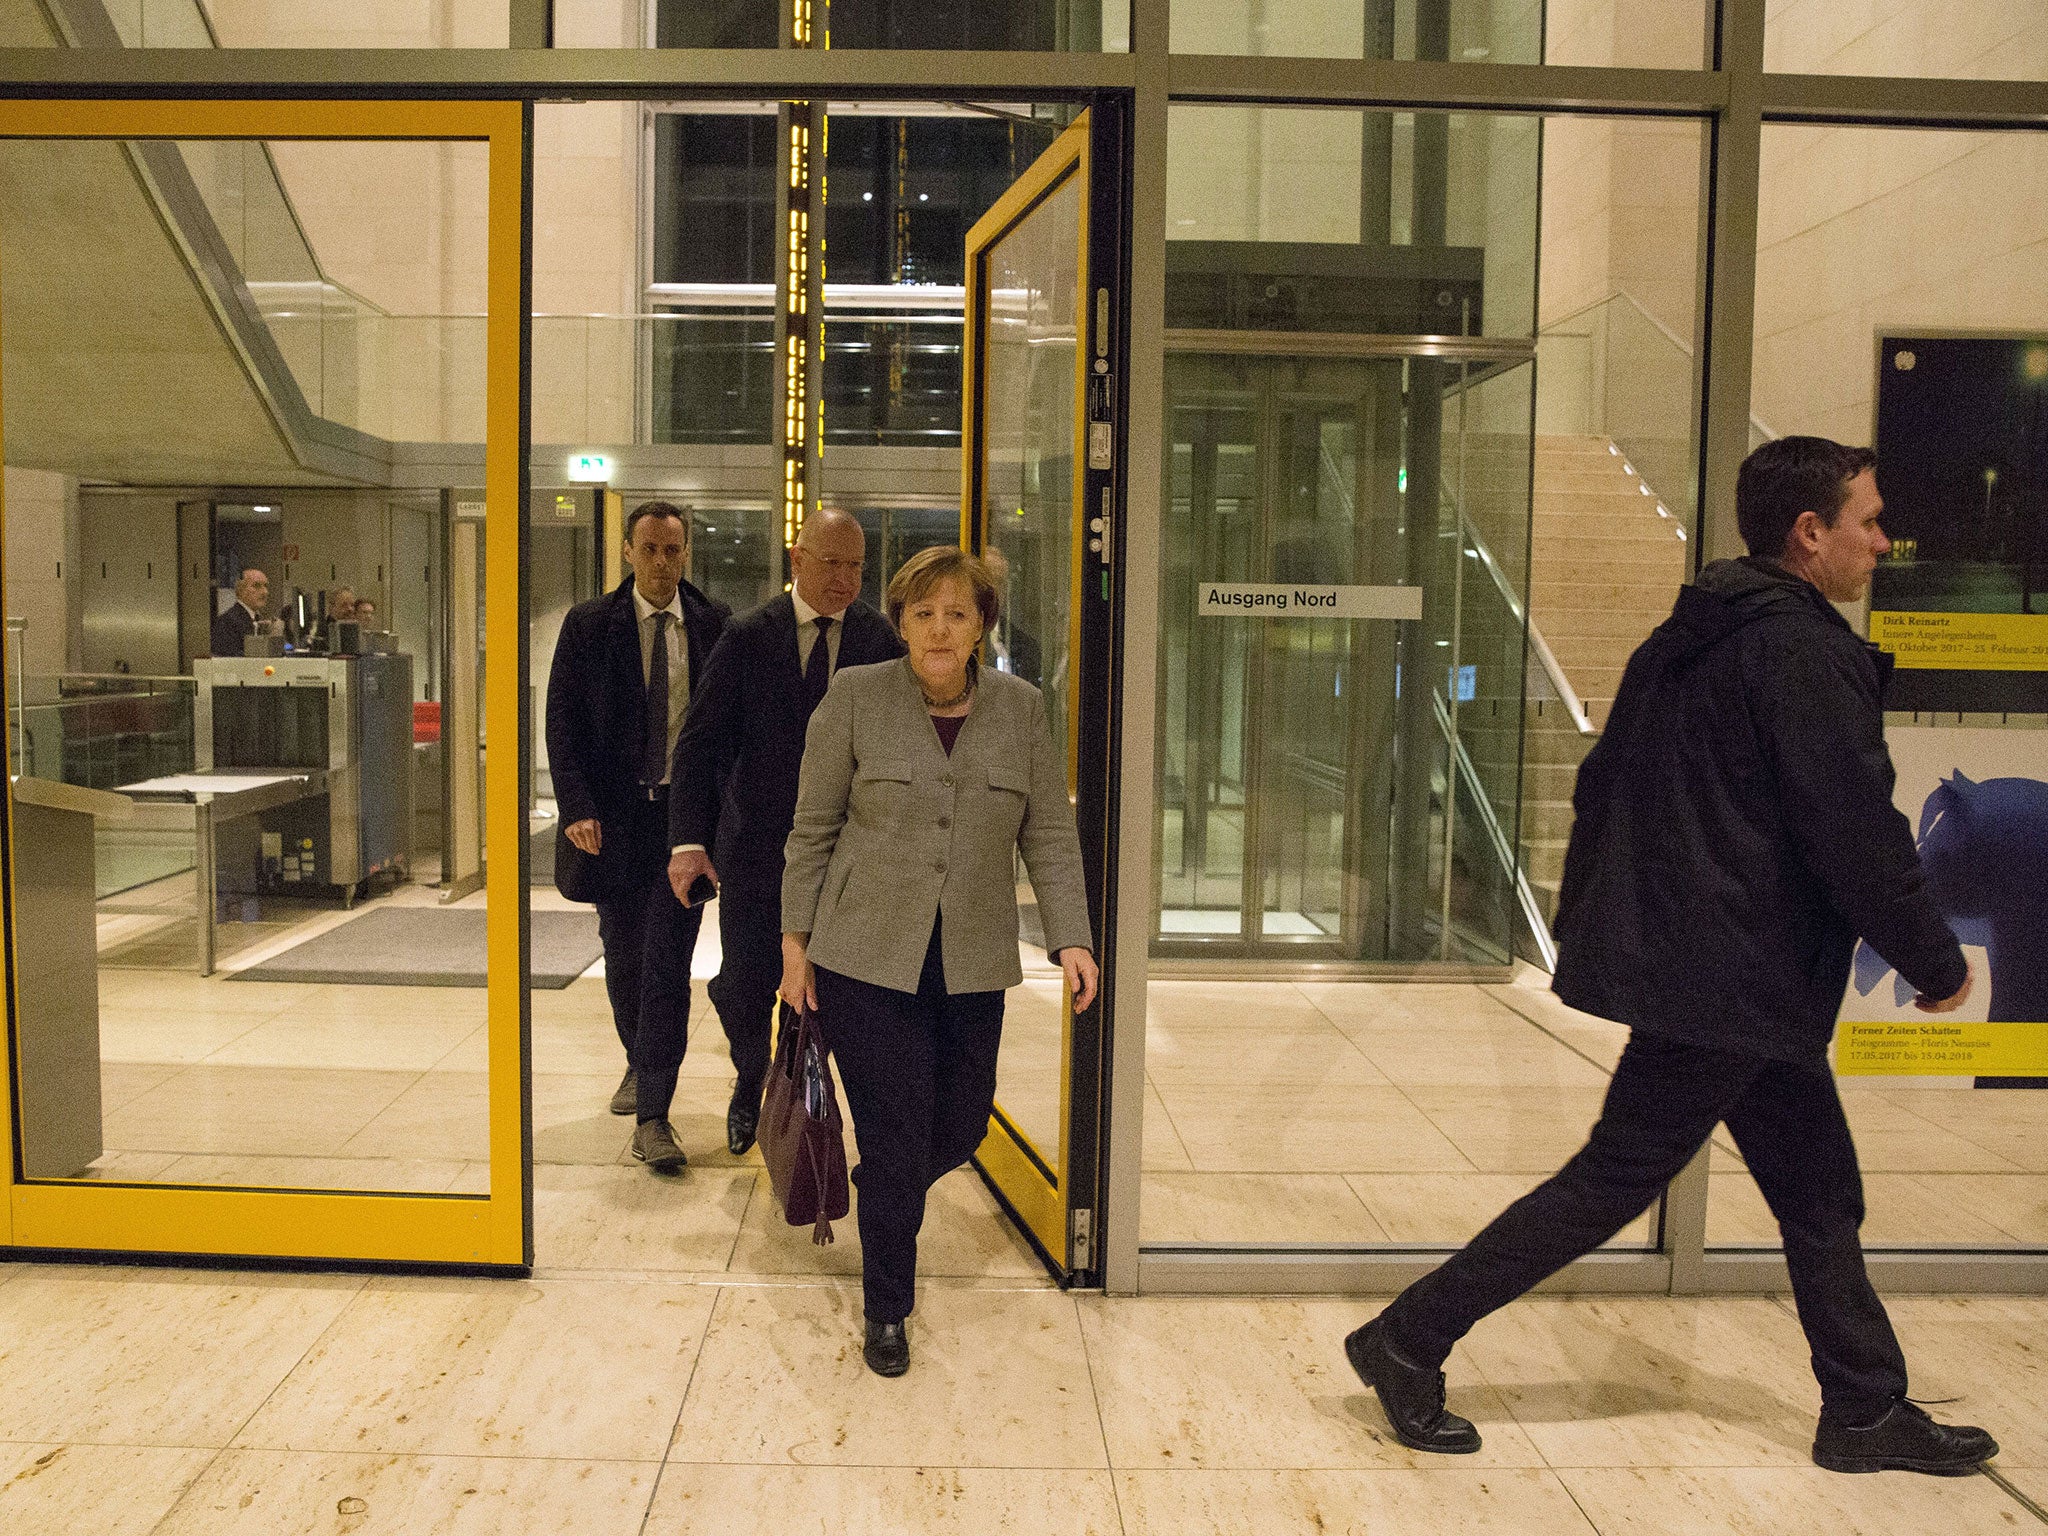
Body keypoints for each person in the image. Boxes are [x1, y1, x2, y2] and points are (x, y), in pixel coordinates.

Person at [1344, 436, 1998, 1477]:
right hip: (1736, 977)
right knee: (1615, 1180)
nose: (1882, 541)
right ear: (1808, 531)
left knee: (1817, 1189)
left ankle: (1865, 1407)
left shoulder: (1691, 632)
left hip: (1724, 972)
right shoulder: (1795, 649)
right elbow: (1851, 829)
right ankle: (1408, 1338)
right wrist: (1932, 958)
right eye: (1867, 520)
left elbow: (1602, 785)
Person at [780, 545, 1098, 1378]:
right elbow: (811, 829)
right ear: (901, 623)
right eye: (923, 614)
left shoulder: (1023, 710)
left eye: (957, 614)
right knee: (894, 1133)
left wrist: (1072, 935)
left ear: (982, 625)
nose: (939, 629)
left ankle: (886, 1183)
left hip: (970, 960)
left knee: (958, 1122)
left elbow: (1050, 835)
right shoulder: (854, 699)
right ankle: (888, 1309)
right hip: (863, 957)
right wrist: (794, 945)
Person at [666, 508, 903, 1156]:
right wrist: (689, 840)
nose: (846, 578)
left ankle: (796, 1099)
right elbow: (700, 743)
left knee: (822, 990)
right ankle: (751, 1074)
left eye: (857, 566)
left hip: (845, 857)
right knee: (747, 984)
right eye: (832, 563)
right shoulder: (748, 636)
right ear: (798, 560)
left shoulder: (878, 639)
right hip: (758, 851)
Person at [544, 501, 729, 1171]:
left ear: (685, 554)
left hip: (684, 826)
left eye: (672, 549)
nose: (661, 561)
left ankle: (654, 1113)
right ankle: (638, 1056)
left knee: (668, 966)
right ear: (627, 552)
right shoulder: (590, 625)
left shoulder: (713, 624)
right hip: (614, 822)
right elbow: (560, 721)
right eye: (649, 548)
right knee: (623, 955)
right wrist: (576, 805)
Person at [210, 568, 269, 657]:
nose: (265, 592)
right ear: (241, 590)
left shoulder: (257, 619)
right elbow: (231, 659)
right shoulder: (228, 621)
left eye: (266, 586)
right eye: (256, 586)